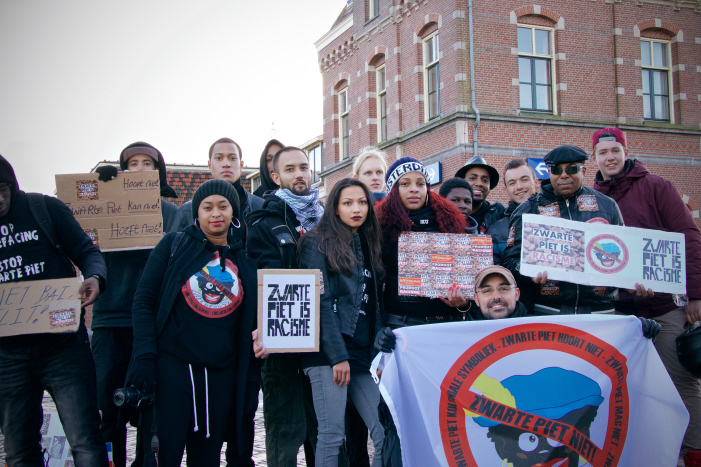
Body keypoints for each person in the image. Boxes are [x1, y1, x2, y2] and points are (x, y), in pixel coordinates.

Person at [128, 179, 260, 466]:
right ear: (197, 213)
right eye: (207, 207)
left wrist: (261, 333)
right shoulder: (173, 246)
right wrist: (145, 355)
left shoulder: (246, 260)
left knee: (207, 458)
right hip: (172, 368)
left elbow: (254, 314)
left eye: (223, 206)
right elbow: (143, 300)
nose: (216, 213)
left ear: (233, 213)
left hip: (220, 374)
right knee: (167, 454)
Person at [591, 127, 701, 464]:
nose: (610, 157)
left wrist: (696, 294)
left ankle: (694, 452)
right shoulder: (590, 197)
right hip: (621, 313)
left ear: (625, 152)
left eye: (615, 150)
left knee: (680, 381)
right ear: (594, 158)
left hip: (663, 306)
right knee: (628, 389)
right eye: (602, 152)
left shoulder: (657, 187)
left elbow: (688, 237)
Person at [0, 155, 108, 466]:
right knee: (18, 449)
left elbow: (87, 251)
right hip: (7, 356)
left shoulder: (42, 208)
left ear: (11, 184)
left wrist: (95, 277)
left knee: (85, 440)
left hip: (63, 348)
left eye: (0, 190)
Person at [91, 142, 179, 467]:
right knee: (105, 412)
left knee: (150, 415)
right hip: (109, 321)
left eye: (148, 163)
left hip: (154, 327)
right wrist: (100, 190)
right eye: (133, 163)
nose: (140, 168)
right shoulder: (106, 209)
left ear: (158, 173)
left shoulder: (173, 214)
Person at [293, 178, 386, 466]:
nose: (356, 208)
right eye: (347, 203)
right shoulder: (315, 242)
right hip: (328, 354)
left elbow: (372, 304)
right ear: (334, 208)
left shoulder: (368, 242)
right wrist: (337, 357)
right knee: (332, 434)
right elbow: (317, 304)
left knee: (384, 430)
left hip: (361, 355)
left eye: (361, 202)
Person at [246, 146, 323, 467]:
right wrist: (260, 326)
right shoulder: (264, 221)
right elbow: (255, 280)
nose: (299, 174)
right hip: (283, 345)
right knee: (285, 435)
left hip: (327, 344)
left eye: (304, 167)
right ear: (276, 177)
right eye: (290, 169)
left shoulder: (330, 218)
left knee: (327, 433)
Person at [503, 145, 624, 316]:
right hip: (548, 310)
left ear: (584, 170)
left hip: (601, 310)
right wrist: (528, 273)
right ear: (549, 173)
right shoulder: (528, 210)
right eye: (557, 170)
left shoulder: (608, 206)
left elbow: (626, 256)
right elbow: (510, 260)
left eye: (572, 169)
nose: (564, 175)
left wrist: (635, 282)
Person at [172, 137, 263, 241]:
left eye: (232, 158)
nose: (226, 164)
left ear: (241, 165)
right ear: (209, 165)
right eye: (219, 158)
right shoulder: (187, 211)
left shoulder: (260, 207)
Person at [487, 159, 538, 266]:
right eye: (512, 183)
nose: (519, 186)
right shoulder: (495, 230)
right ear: (506, 189)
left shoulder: (555, 217)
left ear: (536, 182)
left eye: (524, 179)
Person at [454, 155, 506, 233]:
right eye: (472, 178)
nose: (479, 183)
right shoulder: (447, 215)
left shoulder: (499, 214)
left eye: (485, 180)